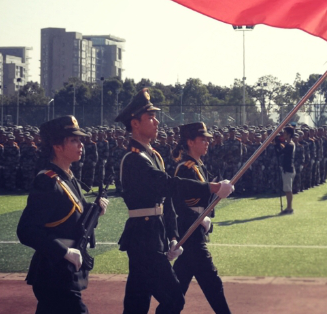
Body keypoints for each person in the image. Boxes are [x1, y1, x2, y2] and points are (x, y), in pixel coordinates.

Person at [115, 88, 234, 314]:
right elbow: (169, 185)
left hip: (153, 235)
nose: (157, 121)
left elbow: (166, 202)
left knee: (137, 303)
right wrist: (212, 187)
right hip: (143, 237)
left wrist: (171, 236)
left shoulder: (152, 156)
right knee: (174, 299)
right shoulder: (134, 159)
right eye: (150, 117)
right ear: (135, 124)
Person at [17, 115, 109, 314]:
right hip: (53, 272)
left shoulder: (68, 178)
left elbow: (76, 220)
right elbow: (26, 230)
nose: (81, 145)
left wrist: (96, 211)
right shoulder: (48, 181)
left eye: (80, 140)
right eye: (74, 140)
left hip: (64, 272)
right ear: (57, 146)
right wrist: (64, 252)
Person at [172, 122, 232, 314]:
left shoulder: (198, 166)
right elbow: (177, 202)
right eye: (202, 139)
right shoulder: (186, 168)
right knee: (211, 282)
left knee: (177, 289)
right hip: (190, 231)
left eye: (207, 139)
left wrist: (220, 190)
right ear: (190, 142)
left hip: (195, 229)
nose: (207, 142)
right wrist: (198, 218)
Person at [276, 126, 296, 213]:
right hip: (286, 169)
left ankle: (289, 208)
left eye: (285, 133)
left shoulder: (290, 145)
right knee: (287, 189)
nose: (283, 134)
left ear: (289, 134)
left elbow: (282, 152)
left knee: (288, 190)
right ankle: (288, 207)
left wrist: (278, 144)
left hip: (288, 169)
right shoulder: (288, 144)